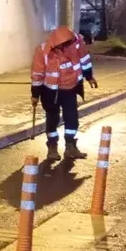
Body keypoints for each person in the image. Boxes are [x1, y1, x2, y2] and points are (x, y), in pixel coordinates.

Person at [30, 27, 99, 162]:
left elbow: (84, 61)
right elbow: (37, 74)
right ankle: (52, 147)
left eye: (68, 42)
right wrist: (35, 94)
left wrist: (89, 77)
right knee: (52, 119)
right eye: (63, 44)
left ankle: (70, 146)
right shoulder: (42, 51)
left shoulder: (76, 43)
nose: (66, 46)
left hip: (70, 88)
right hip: (50, 91)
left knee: (72, 118)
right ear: (55, 43)